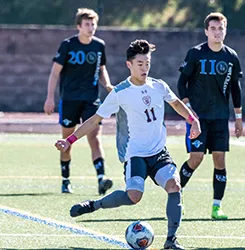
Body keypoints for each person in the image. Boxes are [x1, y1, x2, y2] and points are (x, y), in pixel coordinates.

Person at [55, 39, 201, 249]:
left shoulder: (158, 85)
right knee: (133, 196)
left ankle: (171, 240)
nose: (145, 68)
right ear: (129, 65)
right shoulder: (120, 92)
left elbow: (176, 103)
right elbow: (94, 120)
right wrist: (69, 140)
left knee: (174, 186)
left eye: (147, 63)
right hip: (136, 155)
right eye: (140, 64)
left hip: (159, 152)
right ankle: (94, 205)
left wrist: (192, 120)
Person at [177, 12, 243, 220]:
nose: (217, 32)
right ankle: (175, 198)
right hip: (198, 118)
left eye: (220, 28)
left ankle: (217, 207)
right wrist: (188, 109)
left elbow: (235, 87)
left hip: (220, 117)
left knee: (219, 160)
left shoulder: (231, 57)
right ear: (206, 31)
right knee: (195, 159)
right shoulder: (195, 53)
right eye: (213, 28)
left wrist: (238, 117)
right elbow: (181, 83)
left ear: (225, 30)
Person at [44, 8, 114, 194]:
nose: (91, 28)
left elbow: (101, 69)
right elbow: (54, 73)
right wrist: (50, 97)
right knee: (67, 140)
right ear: (79, 26)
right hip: (70, 100)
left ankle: (101, 178)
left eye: (93, 24)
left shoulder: (99, 46)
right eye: (87, 24)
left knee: (95, 137)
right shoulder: (67, 45)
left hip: (91, 99)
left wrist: (107, 85)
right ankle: (66, 179)